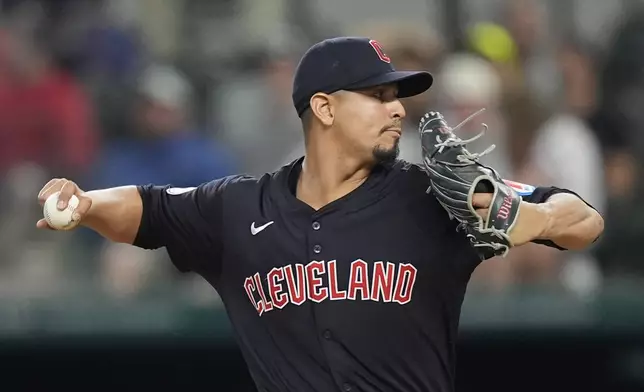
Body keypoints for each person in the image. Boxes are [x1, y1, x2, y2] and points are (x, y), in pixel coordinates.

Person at [35, 37, 604, 392]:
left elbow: (585, 219)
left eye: (398, 96)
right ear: (325, 107)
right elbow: (147, 206)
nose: (398, 108)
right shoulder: (238, 208)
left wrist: (530, 220)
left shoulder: (432, 194)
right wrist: (85, 205)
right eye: (378, 96)